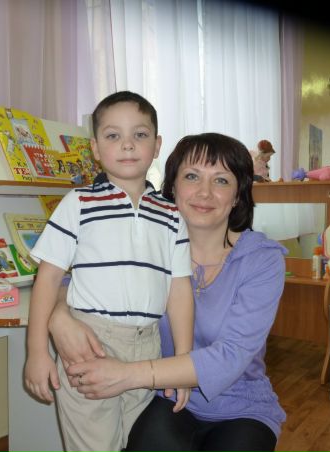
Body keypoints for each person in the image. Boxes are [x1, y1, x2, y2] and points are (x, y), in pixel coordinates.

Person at [51, 132, 287, 452]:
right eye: (192, 176)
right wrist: (59, 317)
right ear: (172, 186)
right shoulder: (146, 244)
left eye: (221, 180)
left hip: (241, 408)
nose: (204, 192)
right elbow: (73, 282)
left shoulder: (262, 259)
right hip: (165, 396)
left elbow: (229, 357)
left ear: (237, 196)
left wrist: (126, 375)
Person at [25, 91, 194, 452]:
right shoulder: (78, 203)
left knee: (139, 443)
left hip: (148, 346)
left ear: (157, 145)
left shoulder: (171, 215)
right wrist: (37, 351)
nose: (128, 144)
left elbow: (180, 291)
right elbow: (48, 279)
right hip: (89, 343)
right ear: (95, 149)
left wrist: (183, 362)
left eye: (140, 134)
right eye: (113, 135)